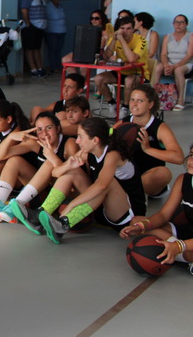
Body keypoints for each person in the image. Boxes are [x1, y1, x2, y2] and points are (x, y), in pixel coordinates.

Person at [36, 118, 140, 243]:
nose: (77, 141)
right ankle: (41, 215)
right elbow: (55, 173)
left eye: (80, 137)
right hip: (100, 209)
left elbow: (101, 186)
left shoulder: (113, 155)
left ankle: (63, 224)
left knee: (107, 182)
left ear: (95, 140)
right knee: (72, 171)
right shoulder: (87, 152)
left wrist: (72, 205)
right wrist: (68, 166)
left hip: (125, 215)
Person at [119, 143, 193, 273]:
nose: (191, 161)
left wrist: (179, 245)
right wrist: (141, 227)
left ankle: (178, 252)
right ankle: (175, 252)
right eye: (191, 155)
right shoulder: (183, 179)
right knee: (136, 221)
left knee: (188, 252)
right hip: (189, 231)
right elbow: (163, 215)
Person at [119, 84, 184, 199]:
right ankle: (124, 193)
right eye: (132, 100)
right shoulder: (124, 123)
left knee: (164, 174)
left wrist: (147, 149)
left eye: (140, 101)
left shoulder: (160, 127)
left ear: (150, 104)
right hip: (127, 174)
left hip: (149, 176)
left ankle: (125, 195)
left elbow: (178, 158)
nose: (134, 104)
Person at [94, 14, 149, 119]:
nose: (125, 31)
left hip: (138, 73)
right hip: (120, 72)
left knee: (129, 81)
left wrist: (122, 40)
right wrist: (114, 40)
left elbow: (132, 59)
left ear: (133, 29)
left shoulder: (141, 40)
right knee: (98, 79)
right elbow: (105, 57)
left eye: (128, 29)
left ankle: (125, 107)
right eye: (122, 28)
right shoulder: (116, 39)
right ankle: (112, 104)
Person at [152, 14, 193, 111]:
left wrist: (174, 66)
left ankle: (180, 100)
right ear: (173, 24)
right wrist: (166, 65)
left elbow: (189, 55)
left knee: (178, 70)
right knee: (158, 67)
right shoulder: (168, 36)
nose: (178, 24)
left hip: (185, 63)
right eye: (176, 22)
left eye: (181, 22)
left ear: (186, 24)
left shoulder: (190, 36)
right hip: (170, 63)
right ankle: (153, 97)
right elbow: (163, 54)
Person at [19, 0, 48, 78]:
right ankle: (33, 69)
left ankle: (40, 68)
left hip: (40, 27)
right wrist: (28, 24)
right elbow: (24, 9)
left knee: (37, 48)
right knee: (30, 48)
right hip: (31, 26)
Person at [44, 0, 67, 74]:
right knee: (52, 50)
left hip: (62, 32)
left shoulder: (60, 7)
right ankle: (53, 68)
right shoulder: (48, 7)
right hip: (52, 32)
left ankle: (59, 67)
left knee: (59, 50)